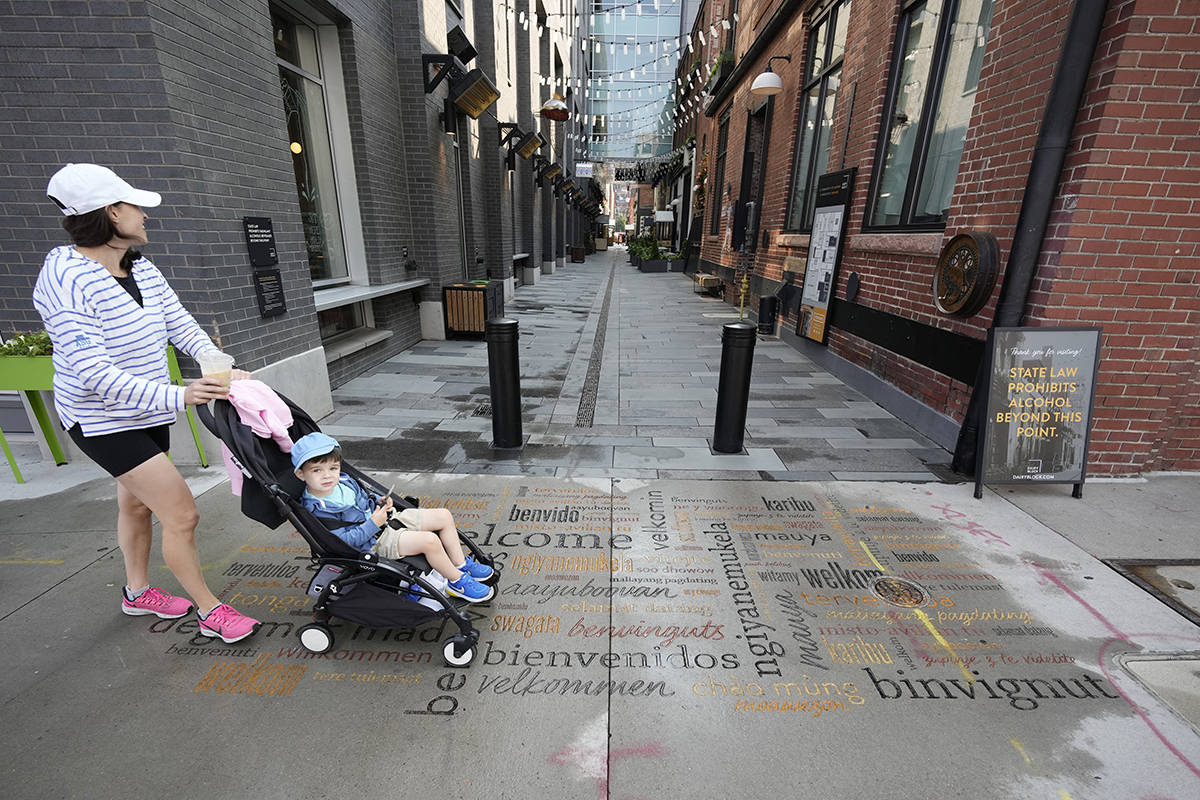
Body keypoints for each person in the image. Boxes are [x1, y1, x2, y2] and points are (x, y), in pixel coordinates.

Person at [32, 163, 261, 644]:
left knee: (137, 506)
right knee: (181, 514)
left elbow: (182, 326)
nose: (145, 214)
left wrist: (218, 366)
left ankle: (137, 593)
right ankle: (210, 611)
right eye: (135, 206)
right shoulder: (65, 278)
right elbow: (94, 373)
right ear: (111, 213)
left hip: (146, 410)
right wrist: (182, 395)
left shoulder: (141, 268)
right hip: (101, 419)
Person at [291, 432, 494, 603]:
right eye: (317, 470)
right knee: (430, 541)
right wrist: (373, 524)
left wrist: (379, 501)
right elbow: (342, 542)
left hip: (385, 520)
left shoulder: (344, 481)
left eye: (333, 468)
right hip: (373, 541)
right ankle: (456, 582)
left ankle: (460, 564)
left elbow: (364, 498)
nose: (327, 475)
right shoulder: (318, 509)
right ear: (301, 474)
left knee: (443, 516)